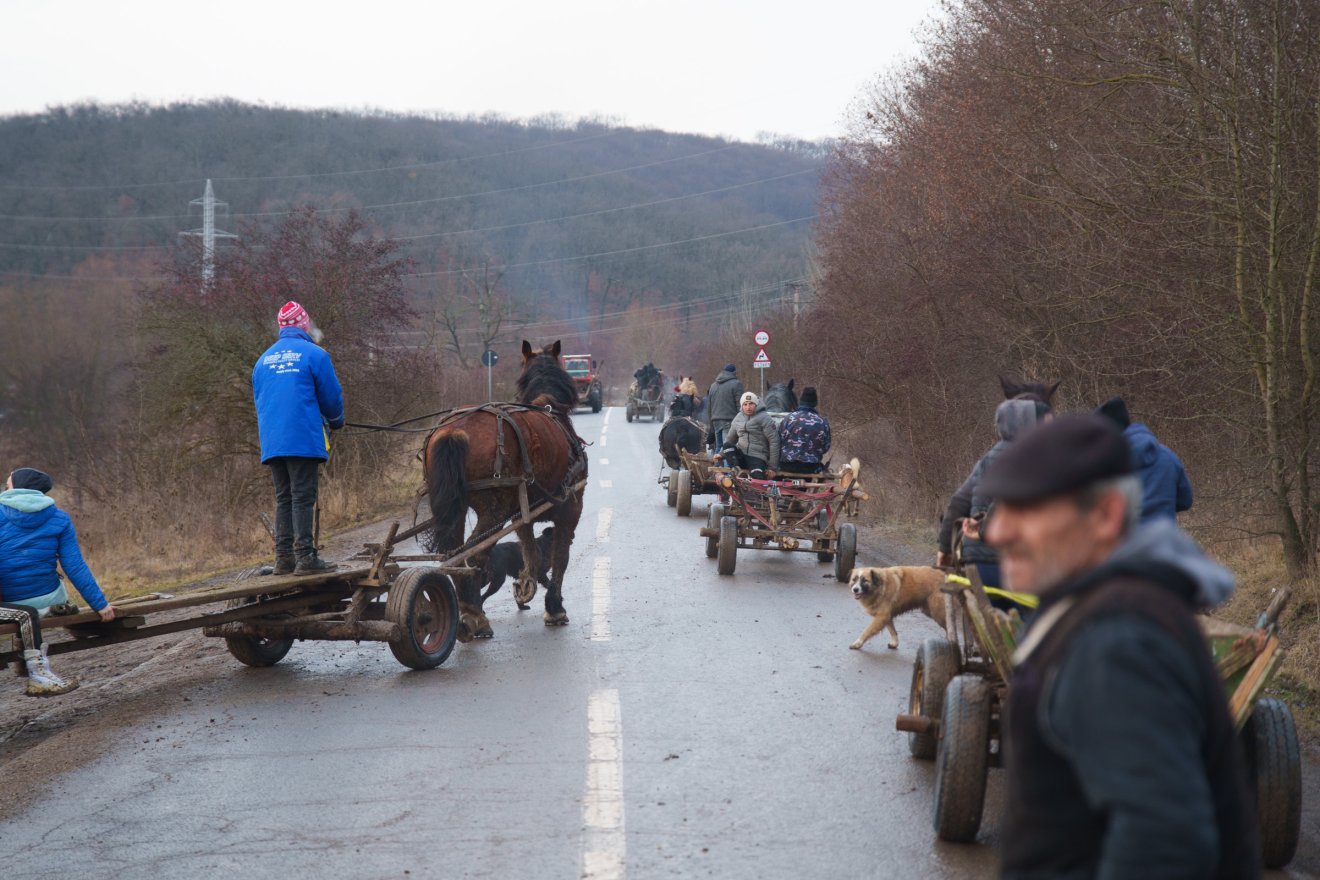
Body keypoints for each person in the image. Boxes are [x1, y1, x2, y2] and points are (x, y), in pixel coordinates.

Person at [979, 415, 1260, 879]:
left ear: (1106, 515)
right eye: (1000, 507)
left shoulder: (1115, 641)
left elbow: (1164, 846)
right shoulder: (1096, 613)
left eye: (1025, 509)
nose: (997, 532)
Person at [0, 468, 117, 696]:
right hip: (47, 601)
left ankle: (37, 672)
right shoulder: (59, 518)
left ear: (16, 486)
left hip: (9, 602)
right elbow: (75, 566)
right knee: (48, 597)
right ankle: (39, 662)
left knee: (20, 607)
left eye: (8, 482)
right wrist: (100, 605)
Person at [252, 301, 345, 575]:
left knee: (285, 497)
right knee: (303, 496)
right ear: (304, 324)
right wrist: (336, 421)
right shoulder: (315, 355)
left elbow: (261, 400)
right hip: (302, 437)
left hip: (273, 441)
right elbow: (331, 397)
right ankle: (305, 557)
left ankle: (284, 558)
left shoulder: (262, 361)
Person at [936, 398, 1046, 595]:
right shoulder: (1034, 456)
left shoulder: (987, 459)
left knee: (983, 620)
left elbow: (958, 502)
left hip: (976, 563)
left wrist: (944, 548)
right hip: (1013, 560)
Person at [1096, 396, 1194, 522]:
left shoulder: (1107, 464)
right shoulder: (1167, 456)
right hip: (1164, 537)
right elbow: (1185, 500)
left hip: (1126, 539)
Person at [716, 391, 779, 478]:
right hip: (741, 455)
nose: (748, 407)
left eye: (751, 404)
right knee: (727, 445)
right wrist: (721, 454)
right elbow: (730, 439)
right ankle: (737, 471)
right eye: (745, 404)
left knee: (757, 477)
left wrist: (772, 467)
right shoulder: (738, 418)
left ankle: (757, 486)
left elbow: (774, 441)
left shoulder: (765, 418)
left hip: (757, 457)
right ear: (742, 406)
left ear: (756, 404)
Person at [777, 386, 831, 474]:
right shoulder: (823, 422)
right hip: (811, 468)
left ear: (800, 402)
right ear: (815, 403)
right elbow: (825, 447)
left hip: (786, 466)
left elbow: (778, 441)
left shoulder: (788, 418)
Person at [706, 363, 744, 450]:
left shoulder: (713, 385)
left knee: (719, 446)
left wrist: (711, 423)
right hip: (729, 420)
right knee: (728, 447)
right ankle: (727, 464)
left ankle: (717, 464)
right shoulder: (737, 384)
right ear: (734, 372)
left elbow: (709, 407)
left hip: (715, 420)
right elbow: (741, 405)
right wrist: (742, 422)